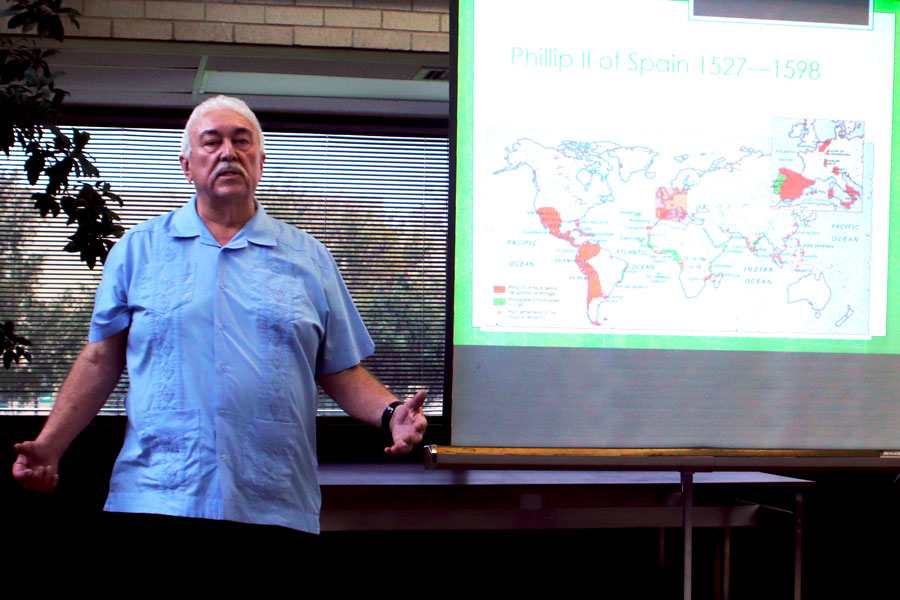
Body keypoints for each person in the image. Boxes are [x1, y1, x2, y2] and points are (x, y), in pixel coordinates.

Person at [11, 95, 428, 535]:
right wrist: (50, 445)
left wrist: (391, 413)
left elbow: (340, 369)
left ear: (261, 161)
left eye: (241, 141)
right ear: (187, 166)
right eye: (211, 142)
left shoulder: (309, 258)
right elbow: (100, 360)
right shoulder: (138, 250)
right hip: (158, 496)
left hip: (274, 501)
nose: (228, 152)